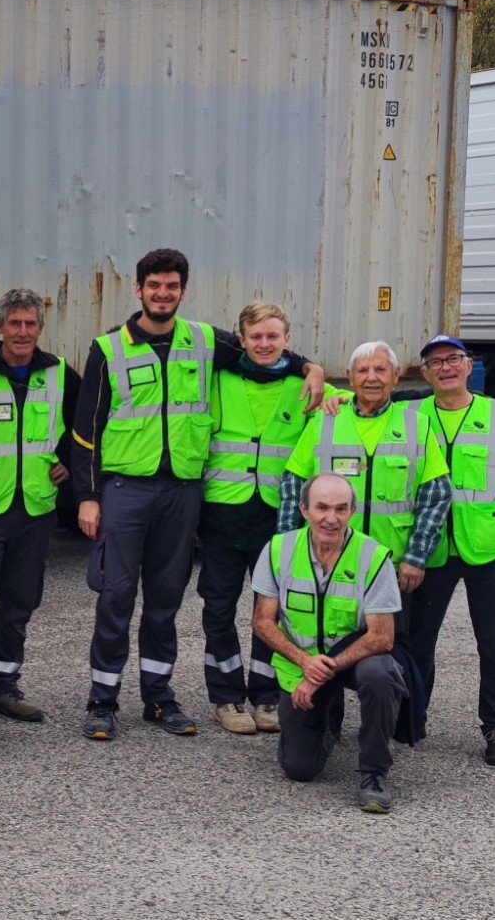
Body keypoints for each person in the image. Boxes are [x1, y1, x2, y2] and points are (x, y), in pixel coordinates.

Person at [71, 248, 323, 741]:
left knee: (165, 599)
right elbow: (86, 430)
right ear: (138, 289)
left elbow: (263, 350)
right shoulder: (108, 348)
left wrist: (311, 367)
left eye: (172, 286)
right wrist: (88, 495)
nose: (162, 294)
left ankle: (159, 697)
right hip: (125, 489)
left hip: (182, 491)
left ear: (183, 291)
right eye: (154, 285)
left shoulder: (206, 341)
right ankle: (102, 700)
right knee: (116, 597)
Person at [196, 301, 336, 735]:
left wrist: (327, 385)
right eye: (255, 336)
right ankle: (226, 697)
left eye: (273, 336)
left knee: (272, 612)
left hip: (276, 520)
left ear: (287, 340)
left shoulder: (305, 386)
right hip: (222, 514)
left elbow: (352, 404)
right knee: (218, 609)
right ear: (241, 339)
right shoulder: (217, 379)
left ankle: (266, 695)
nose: (263, 343)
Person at [407, 335, 495, 768]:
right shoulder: (409, 416)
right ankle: (412, 716)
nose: (445, 367)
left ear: (469, 365)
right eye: (435, 362)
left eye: (453, 359)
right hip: (430, 551)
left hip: (490, 551)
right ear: (425, 373)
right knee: (418, 641)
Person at [251, 473, 407, 814]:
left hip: (351, 660)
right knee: (300, 769)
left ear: (353, 511)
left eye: (341, 509)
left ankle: (374, 773)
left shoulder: (373, 556)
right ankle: (327, 715)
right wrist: (304, 663)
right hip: (301, 664)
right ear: (304, 510)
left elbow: (382, 637)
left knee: (381, 674)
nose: (331, 519)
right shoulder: (278, 550)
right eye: (321, 508)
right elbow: (262, 622)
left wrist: (323, 671)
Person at [0, 287, 80, 723]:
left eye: (30, 323)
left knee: (20, 601)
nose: (22, 331)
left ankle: (3, 686)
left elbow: (90, 424)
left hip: (36, 507)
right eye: (14, 323)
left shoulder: (60, 373)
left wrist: (69, 461)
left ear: (40, 328)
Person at [278, 341, 450, 626]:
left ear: (396, 375)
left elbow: (436, 495)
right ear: (350, 377)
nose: (372, 377)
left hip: (392, 567)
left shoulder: (416, 425)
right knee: (328, 639)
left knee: (388, 646)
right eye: (363, 370)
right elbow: (292, 489)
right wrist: (287, 554)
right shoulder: (324, 422)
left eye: (381, 369)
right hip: (328, 561)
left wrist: (416, 556)